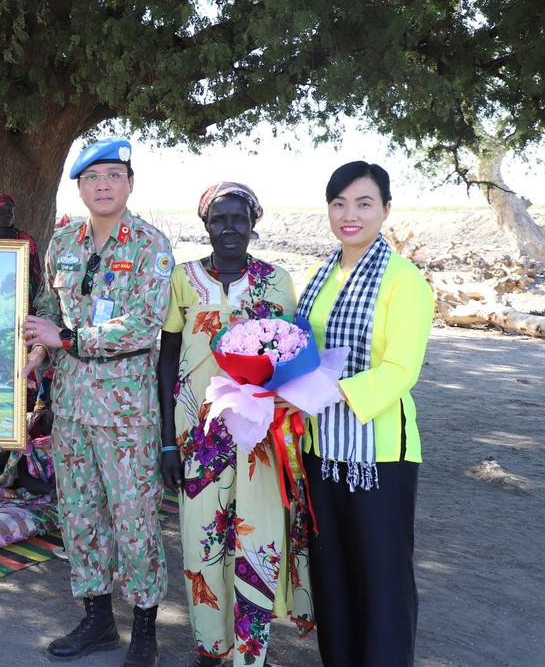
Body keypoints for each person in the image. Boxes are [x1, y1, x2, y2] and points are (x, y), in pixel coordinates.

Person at [21, 138, 173, 667]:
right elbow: (47, 307)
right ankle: (98, 618)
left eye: (113, 175)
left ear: (130, 183)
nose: (103, 185)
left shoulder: (150, 245)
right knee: (80, 515)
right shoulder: (64, 241)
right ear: (80, 188)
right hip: (71, 408)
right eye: (92, 177)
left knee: (135, 519)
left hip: (126, 413)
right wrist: (39, 349)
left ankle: (145, 627)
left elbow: (145, 324)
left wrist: (67, 339)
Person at [157, 182, 313, 667]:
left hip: (259, 436)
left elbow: (293, 355)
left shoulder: (278, 281)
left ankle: (251, 654)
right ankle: (210, 649)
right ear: (205, 225)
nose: (229, 227)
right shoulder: (183, 279)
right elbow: (167, 360)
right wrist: (168, 443)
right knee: (202, 544)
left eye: (238, 218)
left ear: (253, 223)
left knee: (257, 540)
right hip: (197, 436)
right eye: (219, 219)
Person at [296, 162, 433, 667]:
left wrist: (326, 391)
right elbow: (300, 350)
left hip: (379, 454)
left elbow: (401, 369)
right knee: (332, 575)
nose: (349, 214)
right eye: (339, 203)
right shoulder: (318, 275)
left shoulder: (404, 279)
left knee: (381, 578)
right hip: (320, 450)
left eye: (363, 203)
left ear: (386, 210)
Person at [0, 193, 44, 306]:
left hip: (21, 297)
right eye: (1, 212)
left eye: (10, 212)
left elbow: (36, 274)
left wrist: (36, 305)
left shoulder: (25, 239)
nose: (7, 215)